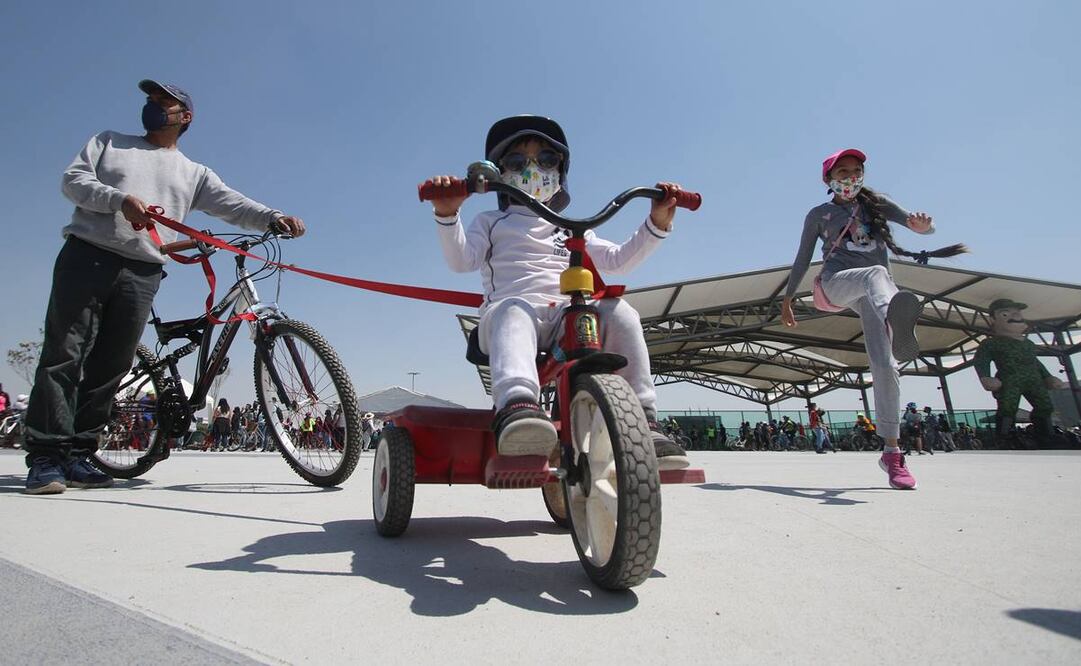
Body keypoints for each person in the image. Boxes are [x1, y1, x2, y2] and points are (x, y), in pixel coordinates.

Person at [21, 79, 306, 494]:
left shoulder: (193, 173)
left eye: (163, 101)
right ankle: (47, 457)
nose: (153, 105)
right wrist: (119, 200)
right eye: (151, 99)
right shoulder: (110, 142)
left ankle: (80, 454)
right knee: (64, 352)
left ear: (185, 116)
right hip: (88, 256)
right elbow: (73, 181)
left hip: (143, 271)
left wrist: (272, 217)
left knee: (112, 365)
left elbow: (231, 202)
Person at [424, 115, 688, 470]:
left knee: (620, 311)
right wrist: (447, 214)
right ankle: (517, 404)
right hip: (507, 317)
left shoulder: (569, 227)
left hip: (566, 318)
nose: (533, 169)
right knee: (513, 310)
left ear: (560, 172)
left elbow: (618, 260)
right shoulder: (491, 222)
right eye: (518, 161)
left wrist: (657, 221)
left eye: (546, 160)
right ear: (500, 174)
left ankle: (643, 419)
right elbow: (462, 260)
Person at [781, 149, 966, 489]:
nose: (850, 177)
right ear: (828, 179)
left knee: (885, 366)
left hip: (875, 296)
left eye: (856, 170)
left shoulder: (877, 204)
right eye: (842, 172)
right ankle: (895, 321)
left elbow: (917, 225)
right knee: (875, 273)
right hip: (836, 285)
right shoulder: (819, 214)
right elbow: (803, 257)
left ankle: (892, 454)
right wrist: (789, 297)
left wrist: (925, 227)